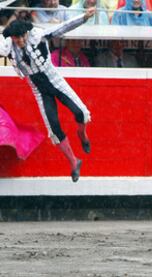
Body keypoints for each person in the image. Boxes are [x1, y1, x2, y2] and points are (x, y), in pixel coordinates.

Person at [0, 8, 96, 182]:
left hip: (55, 81)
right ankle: (74, 162)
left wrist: (84, 17)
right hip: (39, 90)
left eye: (22, 36)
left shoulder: (38, 35)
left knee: (80, 113)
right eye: (16, 38)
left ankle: (82, 135)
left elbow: (62, 28)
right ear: (11, 38)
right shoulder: (7, 46)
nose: (20, 40)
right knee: (53, 129)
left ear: (27, 33)